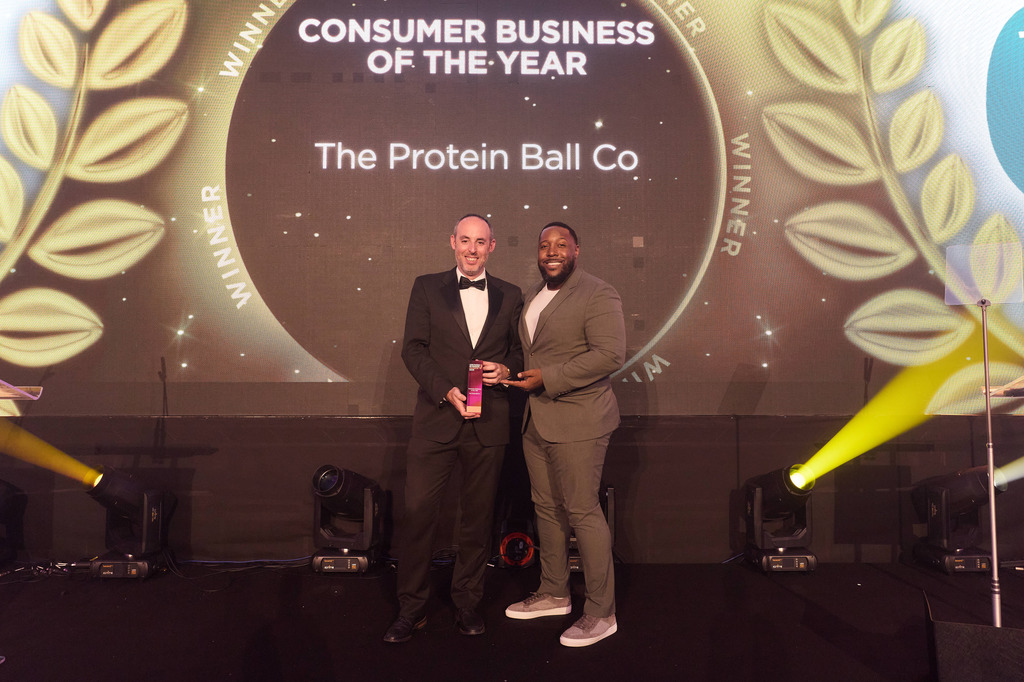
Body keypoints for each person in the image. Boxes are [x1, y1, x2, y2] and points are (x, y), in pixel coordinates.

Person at [383, 214, 523, 643]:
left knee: (477, 521)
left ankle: (467, 603)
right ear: (452, 242)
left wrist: (507, 370)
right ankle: (412, 609)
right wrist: (445, 390)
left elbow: (521, 353)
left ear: (492, 246)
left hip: (489, 423)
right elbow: (413, 349)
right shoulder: (427, 287)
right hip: (436, 420)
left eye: (480, 242)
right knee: (419, 516)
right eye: (465, 240)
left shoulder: (511, 294)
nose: (472, 249)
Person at [503, 221, 626, 647]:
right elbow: (533, 353)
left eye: (561, 244)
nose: (551, 251)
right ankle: (555, 592)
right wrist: (508, 371)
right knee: (546, 508)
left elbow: (610, 354)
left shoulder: (598, 293)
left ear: (576, 250)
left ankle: (601, 612)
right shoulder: (533, 295)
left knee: (581, 511)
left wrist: (549, 378)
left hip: (581, 420)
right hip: (537, 420)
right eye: (544, 246)